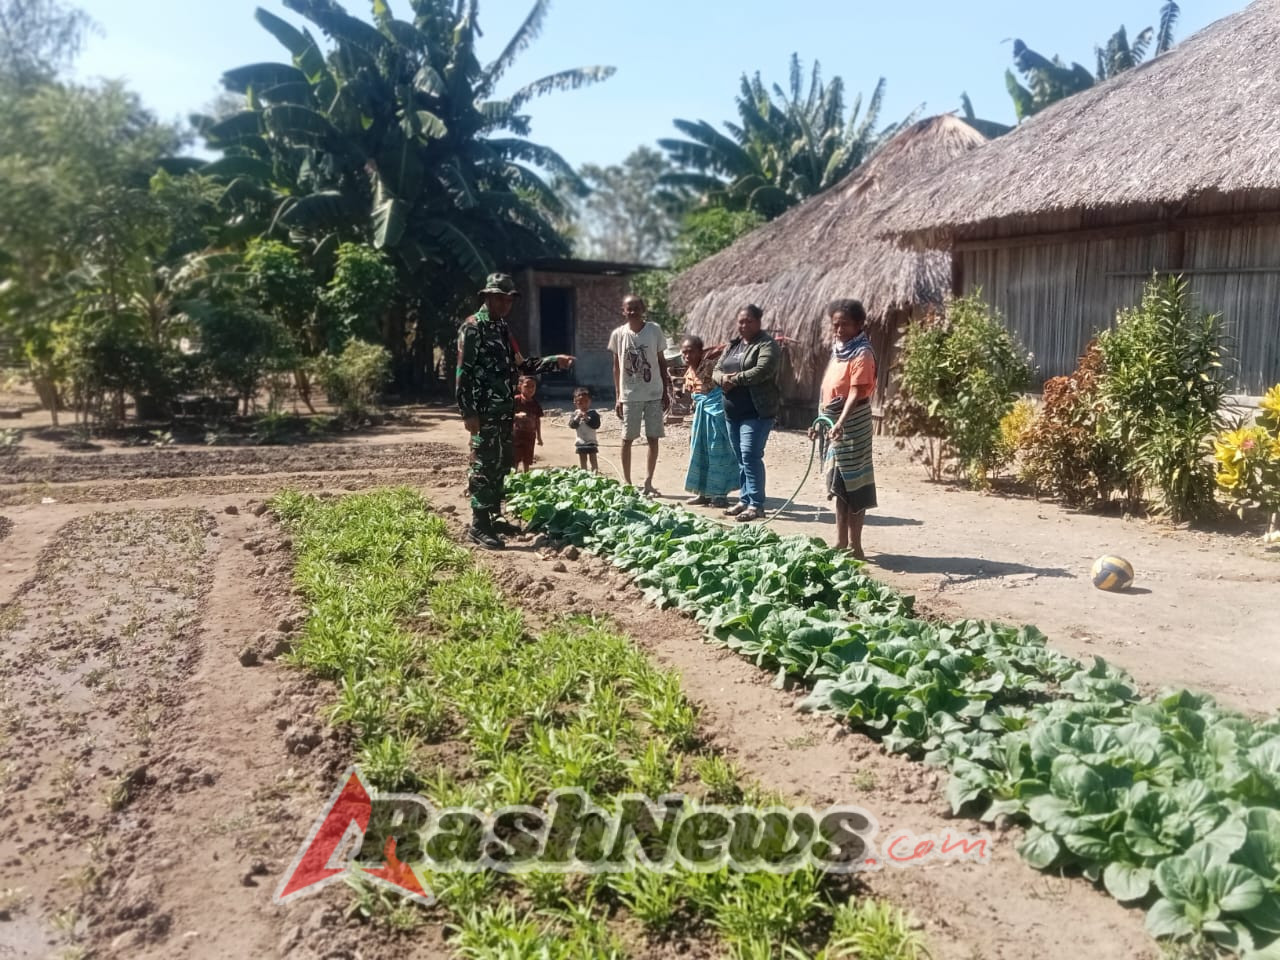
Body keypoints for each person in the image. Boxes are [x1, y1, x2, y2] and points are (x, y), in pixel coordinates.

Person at [456, 272, 573, 550]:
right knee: (483, 464)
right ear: (487, 297)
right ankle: (479, 525)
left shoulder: (503, 329)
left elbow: (523, 365)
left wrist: (555, 361)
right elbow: (463, 373)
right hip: (483, 412)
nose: (506, 305)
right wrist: (467, 412)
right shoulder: (472, 328)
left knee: (500, 463)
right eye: (500, 299)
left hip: (504, 410)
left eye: (509, 300)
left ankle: (494, 516)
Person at [810, 298, 878, 559]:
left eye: (844, 325)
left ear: (859, 325)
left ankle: (856, 546)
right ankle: (840, 541)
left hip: (853, 425)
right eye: (835, 325)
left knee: (855, 484)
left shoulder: (862, 353)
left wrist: (840, 422)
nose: (838, 330)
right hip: (833, 423)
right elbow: (826, 390)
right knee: (839, 485)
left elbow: (855, 392)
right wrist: (819, 422)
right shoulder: (839, 350)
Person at [714, 304, 781, 522]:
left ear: (759, 321)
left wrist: (733, 379)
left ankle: (756, 505)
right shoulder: (733, 345)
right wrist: (721, 379)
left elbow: (762, 371)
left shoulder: (767, 345)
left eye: (749, 321)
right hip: (732, 412)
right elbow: (716, 369)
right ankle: (744, 500)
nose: (744, 325)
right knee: (741, 458)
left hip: (757, 412)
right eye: (741, 321)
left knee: (751, 455)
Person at [608, 294, 672, 496]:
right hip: (630, 395)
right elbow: (617, 367)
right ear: (623, 311)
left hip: (654, 392)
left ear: (643, 309)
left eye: (637, 307)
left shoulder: (654, 330)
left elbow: (662, 361)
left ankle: (648, 482)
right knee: (627, 439)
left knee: (653, 438)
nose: (633, 311)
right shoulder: (618, 334)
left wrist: (666, 389)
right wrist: (618, 395)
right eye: (629, 308)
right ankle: (626, 482)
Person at [680, 335, 735, 507]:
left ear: (700, 352)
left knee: (717, 452)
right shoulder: (688, 373)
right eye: (684, 352)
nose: (688, 356)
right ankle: (702, 492)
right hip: (700, 418)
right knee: (699, 451)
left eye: (691, 351)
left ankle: (720, 494)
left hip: (716, 415)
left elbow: (725, 383)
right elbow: (695, 396)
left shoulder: (712, 367)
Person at [512, 375, 543, 472]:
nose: (530, 389)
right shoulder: (516, 400)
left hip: (530, 435)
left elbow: (537, 420)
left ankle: (526, 476)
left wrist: (539, 436)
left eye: (533, 386)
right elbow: (506, 414)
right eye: (527, 386)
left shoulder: (535, 403)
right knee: (515, 458)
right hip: (516, 434)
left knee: (527, 458)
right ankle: (513, 475)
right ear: (519, 387)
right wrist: (516, 416)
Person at [568, 387, 601, 472]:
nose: (584, 405)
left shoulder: (593, 413)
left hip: (591, 441)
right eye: (580, 403)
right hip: (580, 442)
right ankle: (584, 473)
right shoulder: (575, 414)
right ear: (575, 403)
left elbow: (596, 425)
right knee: (583, 460)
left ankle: (595, 473)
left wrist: (587, 419)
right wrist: (577, 418)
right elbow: (572, 425)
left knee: (593, 459)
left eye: (586, 402)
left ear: (590, 401)